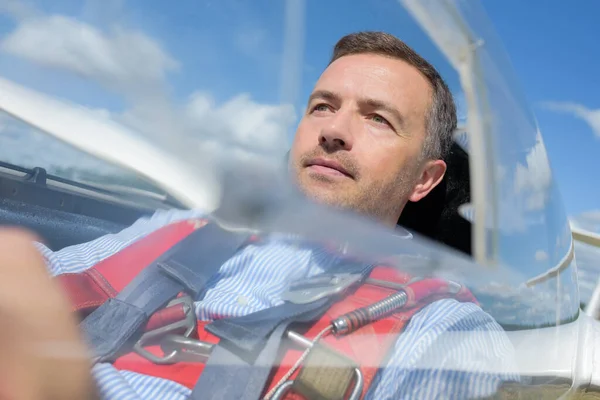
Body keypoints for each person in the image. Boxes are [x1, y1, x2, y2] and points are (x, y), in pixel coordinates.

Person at [0, 32, 518, 400]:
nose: (333, 131)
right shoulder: (183, 228)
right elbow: (35, 276)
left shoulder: (446, 331)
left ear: (424, 180)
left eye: (378, 118)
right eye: (321, 106)